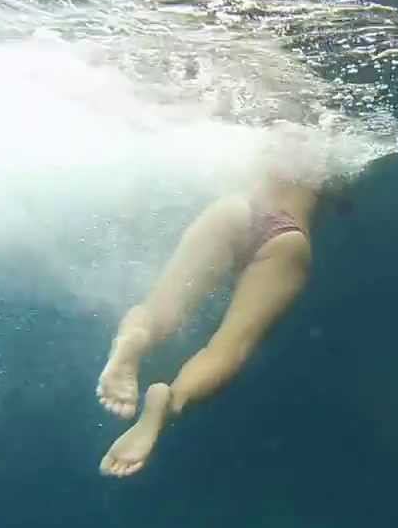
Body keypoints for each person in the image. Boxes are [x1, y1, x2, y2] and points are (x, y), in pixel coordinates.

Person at [95, 167, 320, 477]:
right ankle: (171, 401)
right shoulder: (327, 148)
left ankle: (132, 340)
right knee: (227, 349)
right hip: (287, 237)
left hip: (235, 210)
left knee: (159, 308)